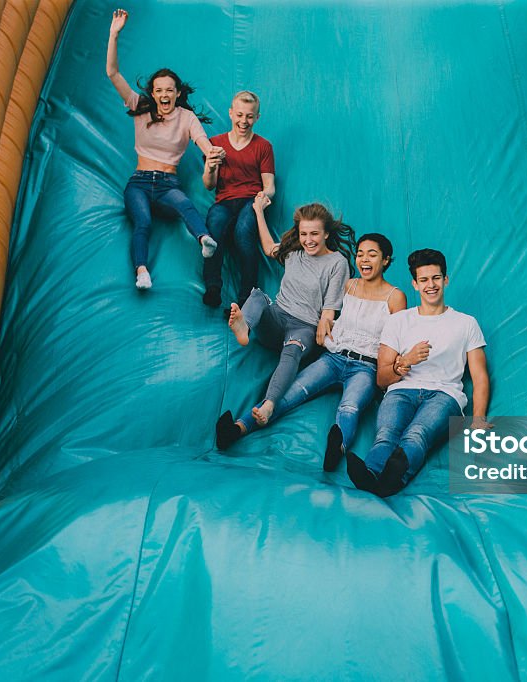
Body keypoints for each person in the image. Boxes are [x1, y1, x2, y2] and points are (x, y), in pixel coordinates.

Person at [215, 234, 407, 471]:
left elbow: (395, 338)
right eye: (360, 254)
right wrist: (326, 326)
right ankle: (237, 428)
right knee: (290, 393)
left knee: (350, 406)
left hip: (365, 366)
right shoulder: (349, 285)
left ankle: (337, 449)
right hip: (334, 358)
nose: (364, 259)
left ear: (386, 261)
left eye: (372, 254)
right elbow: (330, 314)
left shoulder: (395, 296)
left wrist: (391, 370)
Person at [347, 248, 491, 497]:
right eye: (424, 280)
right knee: (385, 435)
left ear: (445, 279)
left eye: (436, 278)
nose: (431, 285)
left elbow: (479, 376)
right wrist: (406, 361)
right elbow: (382, 379)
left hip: (444, 395)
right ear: (415, 284)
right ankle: (371, 475)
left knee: (416, 434)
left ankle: (393, 478)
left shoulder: (466, 323)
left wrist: (478, 418)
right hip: (402, 390)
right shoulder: (398, 321)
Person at [215, 197, 355, 449]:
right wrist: (258, 211)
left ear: (326, 234)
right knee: (257, 295)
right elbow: (268, 246)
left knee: (293, 348)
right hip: (277, 318)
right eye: (304, 234)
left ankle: (268, 405)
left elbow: (329, 310)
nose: (308, 240)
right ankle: (244, 327)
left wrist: (323, 333)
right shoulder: (294, 253)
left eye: (314, 234)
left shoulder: (337, 263)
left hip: (304, 328)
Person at [106, 9, 224, 290]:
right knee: (143, 222)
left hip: (168, 184)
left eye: (169, 90)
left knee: (184, 204)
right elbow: (112, 73)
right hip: (139, 183)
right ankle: (142, 271)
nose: (164, 95)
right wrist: (114, 34)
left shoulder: (186, 117)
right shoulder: (140, 108)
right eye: (159, 90)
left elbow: (203, 143)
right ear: (153, 93)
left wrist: (212, 154)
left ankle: (204, 240)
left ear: (178, 93)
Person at [200, 91, 276, 308]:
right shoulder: (215, 143)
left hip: (250, 200)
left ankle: (246, 299)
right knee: (214, 226)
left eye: (249, 116)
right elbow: (208, 184)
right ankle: (213, 287)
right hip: (224, 200)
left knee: (243, 232)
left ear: (257, 117)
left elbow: (270, 186)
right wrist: (211, 165)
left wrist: (263, 196)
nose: (244, 121)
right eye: (240, 115)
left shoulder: (263, 146)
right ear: (231, 114)